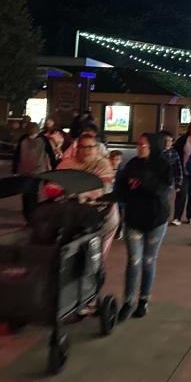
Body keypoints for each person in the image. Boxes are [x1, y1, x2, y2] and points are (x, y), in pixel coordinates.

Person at [117, 133, 172, 321]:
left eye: (143, 145)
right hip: (134, 219)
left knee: (148, 260)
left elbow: (162, 190)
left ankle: (143, 300)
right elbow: (122, 188)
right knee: (134, 260)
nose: (139, 148)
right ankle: (127, 301)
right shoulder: (132, 165)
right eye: (138, 145)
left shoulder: (163, 166)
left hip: (156, 219)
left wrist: (143, 179)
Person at [55, 132, 119, 290]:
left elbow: (101, 189)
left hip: (101, 218)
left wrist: (75, 192)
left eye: (91, 147)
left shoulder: (103, 165)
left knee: (93, 257)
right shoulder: (67, 164)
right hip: (71, 216)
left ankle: (90, 295)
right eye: (83, 146)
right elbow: (52, 186)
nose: (86, 150)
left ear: (97, 148)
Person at [12, 122, 55, 219]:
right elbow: (17, 155)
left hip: (38, 170)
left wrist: (54, 168)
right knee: (25, 192)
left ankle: (31, 212)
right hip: (24, 170)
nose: (32, 137)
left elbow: (51, 155)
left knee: (32, 191)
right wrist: (14, 169)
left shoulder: (44, 140)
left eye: (34, 135)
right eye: (30, 135)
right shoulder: (23, 139)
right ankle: (27, 212)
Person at [172, 121, 191, 225]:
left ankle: (190, 216)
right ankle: (177, 217)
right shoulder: (183, 140)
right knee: (181, 194)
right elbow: (175, 152)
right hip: (184, 171)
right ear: (190, 128)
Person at [160, 130, 183, 217]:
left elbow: (178, 168)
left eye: (171, 140)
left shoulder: (173, 152)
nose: (169, 143)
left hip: (166, 182)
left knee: (163, 199)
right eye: (167, 140)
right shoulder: (155, 152)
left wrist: (178, 183)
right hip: (154, 181)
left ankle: (163, 216)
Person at [109, 149, 126, 239]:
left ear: (120, 160)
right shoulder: (106, 170)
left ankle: (119, 230)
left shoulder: (123, 172)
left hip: (118, 196)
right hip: (109, 195)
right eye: (112, 159)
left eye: (117, 159)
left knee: (119, 215)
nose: (114, 162)